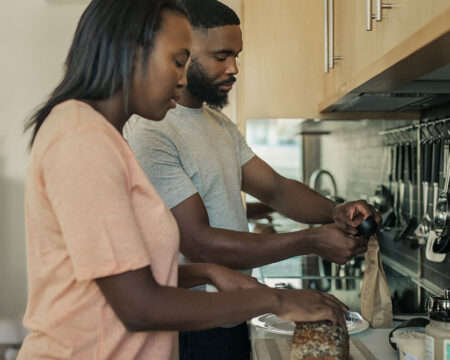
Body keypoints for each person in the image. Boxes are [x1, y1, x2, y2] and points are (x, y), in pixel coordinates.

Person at [18, 1, 349, 359]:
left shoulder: (100, 136)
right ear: (132, 52)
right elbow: (139, 305)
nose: (181, 78)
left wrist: (205, 273)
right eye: (177, 61)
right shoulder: (82, 141)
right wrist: (278, 299)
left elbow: (118, 278)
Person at [126, 0, 383, 359]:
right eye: (221, 56)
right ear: (182, 53)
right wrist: (312, 241)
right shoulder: (151, 132)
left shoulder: (217, 124)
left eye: (237, 56)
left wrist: (335, 211)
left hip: (232, 313)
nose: (234, 68)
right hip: (190, 327)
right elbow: (200, 244)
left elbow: (276, 188)